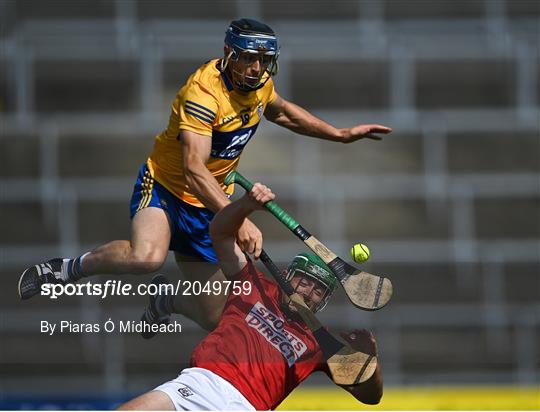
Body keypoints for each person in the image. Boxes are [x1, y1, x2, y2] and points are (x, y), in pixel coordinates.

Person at [18, 18, 392, 330]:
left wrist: (340, 135)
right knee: (146, 258)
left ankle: (167, 301)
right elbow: (194, 169)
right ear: (229, 54)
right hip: (167, 189)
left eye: (264, 60)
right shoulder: (202, 94)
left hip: (209, 203)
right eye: (248, 58)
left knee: (215, 317)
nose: (257, 68)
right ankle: (68, 268)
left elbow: (284, 112)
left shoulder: (259, 86)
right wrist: (238, 220)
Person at [118, 183, 383, 411]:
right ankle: (168, 301)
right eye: (304, 281)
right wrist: (245, 206)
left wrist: (370, 360)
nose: (308, 293)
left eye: (317, 291)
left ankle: (168, 301)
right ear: (286, 276)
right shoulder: (255, 284)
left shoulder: (319, 342)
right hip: (199, 382)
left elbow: (371, 397)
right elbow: (220, 232)